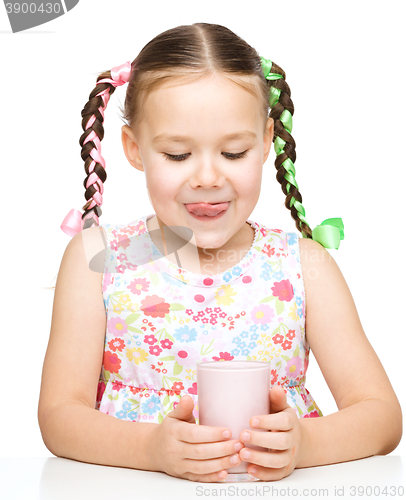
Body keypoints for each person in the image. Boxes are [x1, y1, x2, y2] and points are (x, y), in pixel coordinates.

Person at [37, 22, 402, 483]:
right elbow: (58, 417)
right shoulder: (97, 258)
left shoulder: (304, 265)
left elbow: (382, 416)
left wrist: (307, 444)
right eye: (176, 154)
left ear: (267, 141)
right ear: (134, 148)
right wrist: (151, 449)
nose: (208, 177)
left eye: (233, 152)